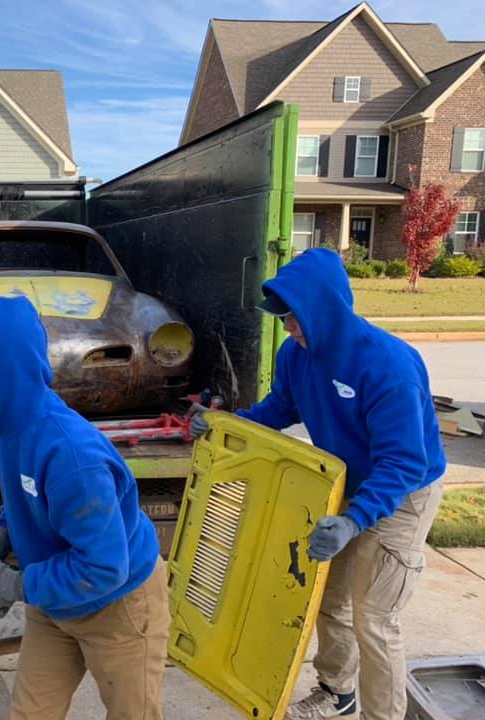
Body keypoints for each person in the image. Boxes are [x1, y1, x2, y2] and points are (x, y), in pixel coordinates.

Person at [192, 248, 445, 720]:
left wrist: (355, 521)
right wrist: (225, 427)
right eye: (283, 319)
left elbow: (405, 461)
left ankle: (384, 716)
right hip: (348, 486)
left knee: (375, 620)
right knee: (330, 602)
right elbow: (278, 412)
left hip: (402, 495)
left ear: (323, 309)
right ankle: (336, 692)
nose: (287, 328)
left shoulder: (387, 365)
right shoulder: (297, 355)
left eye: (292, 318)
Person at [0, 296, 170, 720]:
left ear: (0, 374)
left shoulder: (72, 457)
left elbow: (103, 568)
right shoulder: (2, 428)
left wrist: (12, 586)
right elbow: (22, 500)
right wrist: (3, 537)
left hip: (118, 603)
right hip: (55, 601)